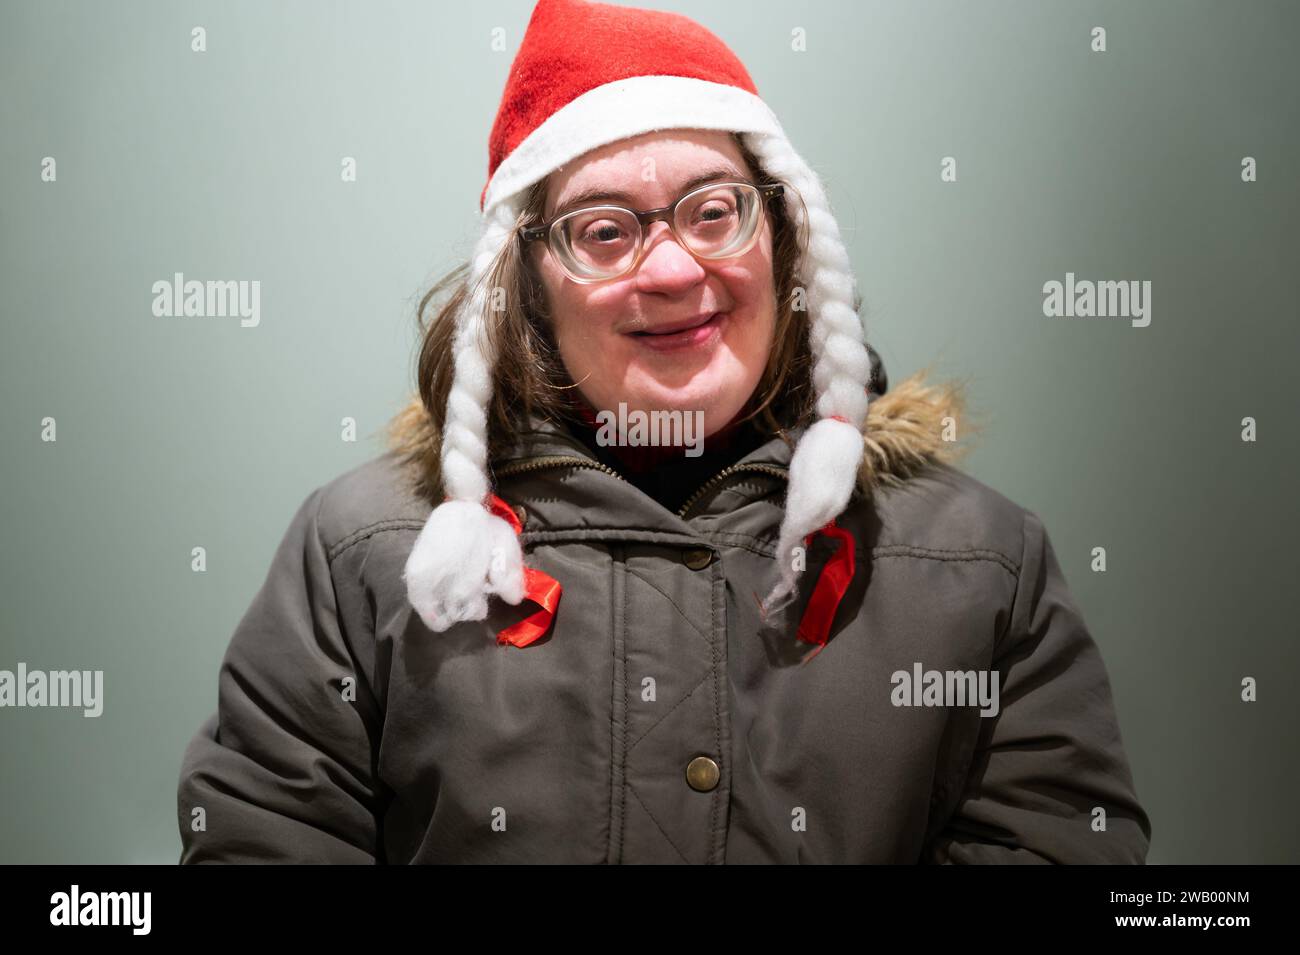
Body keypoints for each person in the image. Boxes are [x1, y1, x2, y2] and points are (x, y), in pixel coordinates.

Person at [176, 0, 1151, 864]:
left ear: (781, 237)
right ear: (524, 286)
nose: (674, 270)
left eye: (712, 211)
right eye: (604, 229)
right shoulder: (358, 559)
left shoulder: (980, 567)